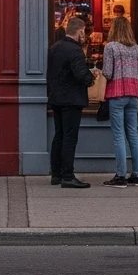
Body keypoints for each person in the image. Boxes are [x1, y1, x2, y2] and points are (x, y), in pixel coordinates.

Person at [46, 15, 94, 188]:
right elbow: (81, 74)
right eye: (84, 32)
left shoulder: (55, 48)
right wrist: (91, 78)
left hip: (57, 98)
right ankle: (67, 175)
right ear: (80, 30)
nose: (84, 35)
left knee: (58, 135)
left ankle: (56, 174)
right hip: (72, 99)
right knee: (69, 137)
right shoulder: (75, 51)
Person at [102, 15, 138, 187]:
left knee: (119, 135)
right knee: (132, 133)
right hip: (133, 94)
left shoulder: (110, 47)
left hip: (117, 93)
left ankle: (120, 175)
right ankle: (137, 174)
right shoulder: (135, 48)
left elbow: (108, 72)